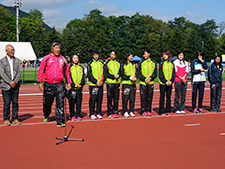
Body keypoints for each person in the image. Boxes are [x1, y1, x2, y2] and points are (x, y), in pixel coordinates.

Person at [37, 42, 72, 127]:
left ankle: (59, 120)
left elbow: (67, 72)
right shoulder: (46, 58)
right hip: (48, 84)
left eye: (59, 48)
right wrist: (40, 81)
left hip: (59, 84)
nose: (57, 49)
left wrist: (69, 82)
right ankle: (46, 114)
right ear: (52, 49)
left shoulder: (63, 59)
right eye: (56, 48)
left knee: (60, 102)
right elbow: (41, 70)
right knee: (47, 102)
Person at [0, 44, 22, 126]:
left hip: (15, 85)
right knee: (7, 103)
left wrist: (15, 82)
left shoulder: (17, 60)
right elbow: (2, 73)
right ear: (6, 51)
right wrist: (10, 82)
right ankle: (6, 119)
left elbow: (19, 72)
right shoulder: (2, 61)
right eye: (11, 50)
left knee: (15, 103)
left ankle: (15, 118)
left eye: (13, 50)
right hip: (6, 86)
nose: (13, 52)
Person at [137, 49, 157, 117]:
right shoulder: (141, 62)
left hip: (151, 82)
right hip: (143, 83)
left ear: (149, 54)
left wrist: (150, 78)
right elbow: (138, 73)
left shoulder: (153, 62)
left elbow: (155, 73)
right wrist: (144, 79)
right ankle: (143, 110)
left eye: (145, 54)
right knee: (143, 97)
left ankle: (148, 110)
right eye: (143, 54)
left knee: (149, 97)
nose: (144, 55)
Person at [87, 50, 105, 120]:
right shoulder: (90, 64)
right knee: (93, 99)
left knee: (99, 99)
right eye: (94, 55)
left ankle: (98, 112)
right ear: (92, 56)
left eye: (97, 55)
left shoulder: (101, 63)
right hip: (93, 84)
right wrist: (96, 82)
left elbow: (104, 72)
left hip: (101, 84)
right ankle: (92, 113)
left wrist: (102, 81)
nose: (96, 56)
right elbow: (89, 74)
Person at [68, 54, 85, 121]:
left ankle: (78, 114)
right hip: (72, 88)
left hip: (79, 88)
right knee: (72, 103)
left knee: (79, 102)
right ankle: (72, 115)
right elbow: (68, 77)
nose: (76, 59)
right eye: (74, 58)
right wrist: (73, 84)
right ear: (72, 59)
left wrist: (81, 84)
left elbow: (83, 77)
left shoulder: (81, 67)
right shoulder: (70, 68)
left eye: (77, 58)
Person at [105, 50, 121, 119]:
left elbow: (121, 71)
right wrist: (113, 76)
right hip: (110, 82)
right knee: (109, 98)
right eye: (111, 54)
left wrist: (118, 75)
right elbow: (106, 73)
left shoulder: (118, 63)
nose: (112, 56)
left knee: (116, 99)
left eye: (114, 54)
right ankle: (110, 112)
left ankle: (115, 112)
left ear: (116, 55)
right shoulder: (107, 63)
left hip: (117, 83)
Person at [158, 51, 175, 116]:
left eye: (166, 55)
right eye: (163, 55)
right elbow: (160, 74)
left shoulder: (172, 64)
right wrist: (165, 81)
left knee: (168, 97)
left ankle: (168, 110)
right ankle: (162, 111)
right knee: (162, 97)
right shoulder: (161, 64)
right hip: (163, 83)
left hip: (170, 83)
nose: (165, 56)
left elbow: (173, 74)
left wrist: (171, 81)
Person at [121, 52, 137, 118]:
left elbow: (137, 72)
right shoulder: (123, 65)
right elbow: (122, 74)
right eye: (131, 56)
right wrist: (129, 78)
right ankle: (125, 111)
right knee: (125, 98)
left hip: (133, 84)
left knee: (132, 99)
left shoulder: (133, 65)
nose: (132, 57)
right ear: (127, 57)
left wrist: (135, 78)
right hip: (126, 84)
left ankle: (131, 111)